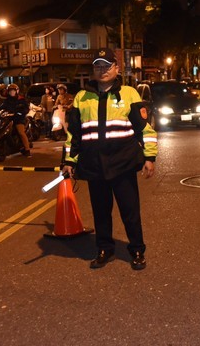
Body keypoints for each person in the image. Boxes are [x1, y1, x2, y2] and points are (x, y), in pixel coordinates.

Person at [62, 48, 158, 270]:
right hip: (95, 165)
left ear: (116, 68)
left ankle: (136, 251)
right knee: (101, 212)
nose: (102, 70)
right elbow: (74, 134)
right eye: (98, 66)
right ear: (93, 70)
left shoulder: (130, 94)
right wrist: (69, 161)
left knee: (130, 211)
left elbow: (144, 129)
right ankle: (104, 249)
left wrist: (149, 157)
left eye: (107, 66)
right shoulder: (81, 97)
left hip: (122, 164)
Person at [0, 83, 32, 157]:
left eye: (13, 90)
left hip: (19, 119)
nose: (12, 92)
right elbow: (1, 107)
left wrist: (21, 112)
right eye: (10, 90)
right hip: (9, 119)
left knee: (21, 132)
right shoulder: (7, 100)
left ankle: (27, 150)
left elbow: (26, 109)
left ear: (16, 91)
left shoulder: (21, 99)